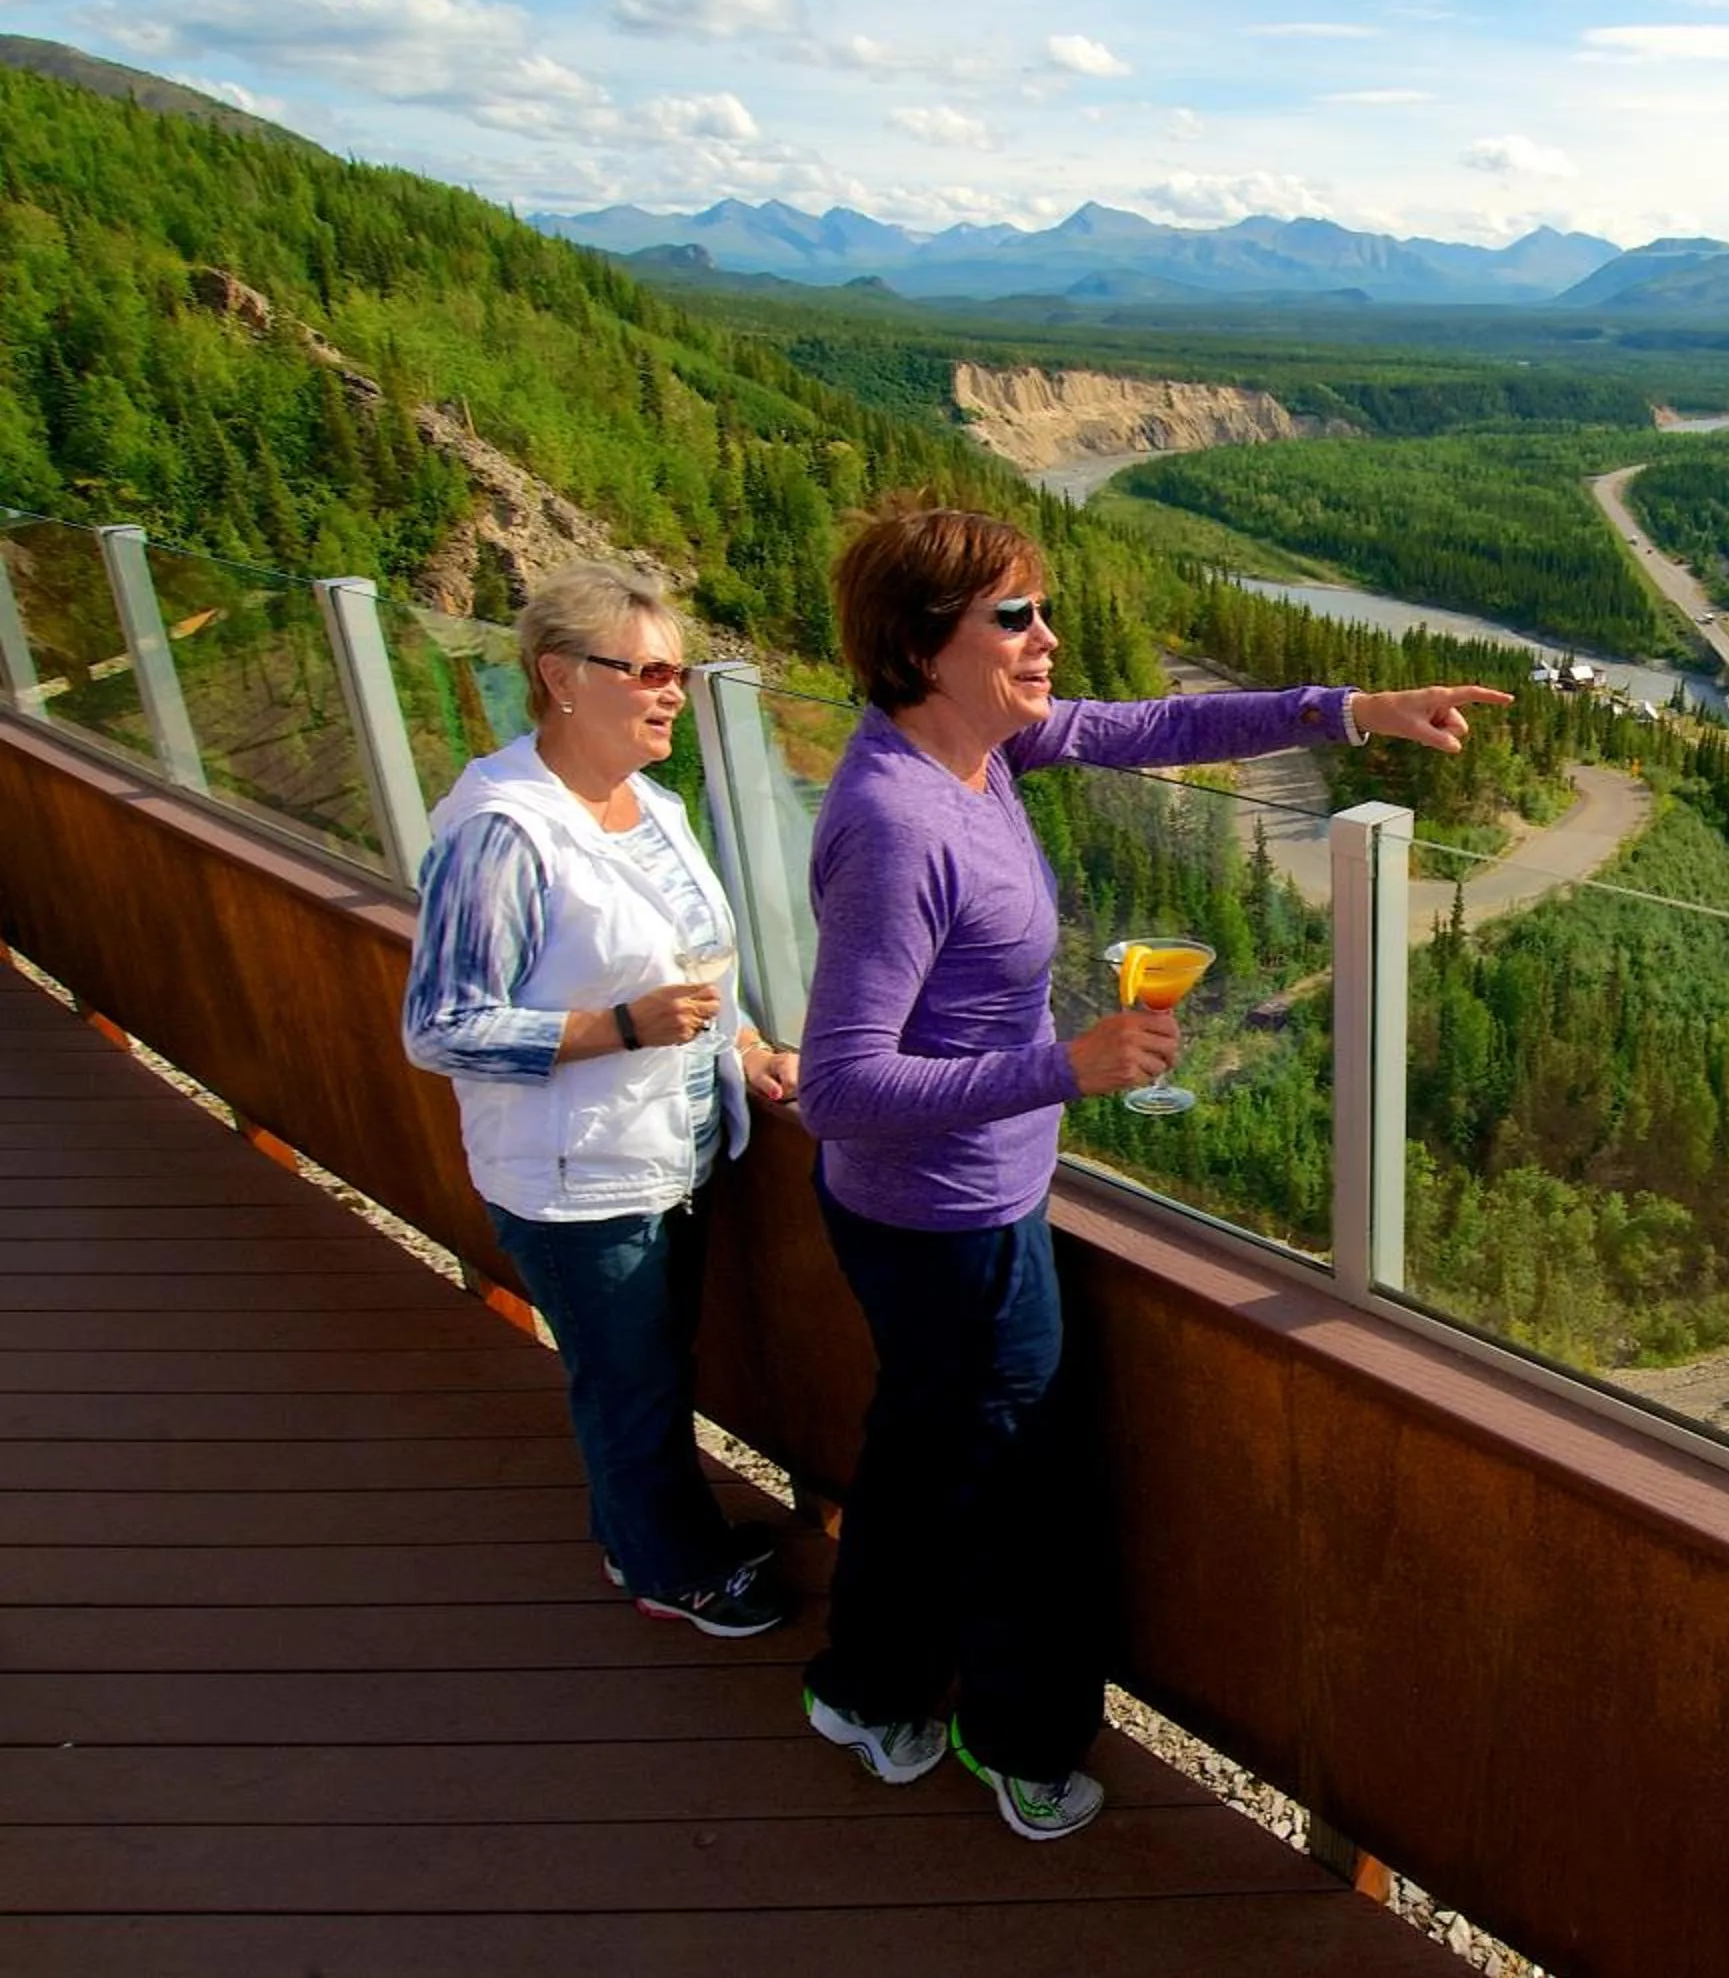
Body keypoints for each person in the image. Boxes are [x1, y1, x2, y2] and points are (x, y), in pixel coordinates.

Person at [795, 503, 1506, 1836]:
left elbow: (1158, 728)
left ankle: (865, 1684)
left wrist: (1355, 708)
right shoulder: (899, 824)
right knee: (1016, 1492)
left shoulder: (974, 750)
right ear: (922, 645)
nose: (1047, 638)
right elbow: (837, 1089)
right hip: (951, 1225)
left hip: (936, 1214)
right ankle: (1015, 1742)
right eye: (1014, 616)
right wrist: (1066, 1069)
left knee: (924, 1448)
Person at [402, 561, 802, 1637]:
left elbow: (696, 966)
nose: (673, 692)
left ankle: (640, 1530)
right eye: (649, 671)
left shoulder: (652, 805)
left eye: (677, 673)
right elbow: (440, 1025)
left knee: (648, 1371)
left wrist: (750, 1042)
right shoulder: (503, 831)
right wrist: (612, 1029)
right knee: (629, 1388)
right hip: (577, 1180)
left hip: (668, 1154)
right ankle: (670, 1571)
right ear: (560, 676)